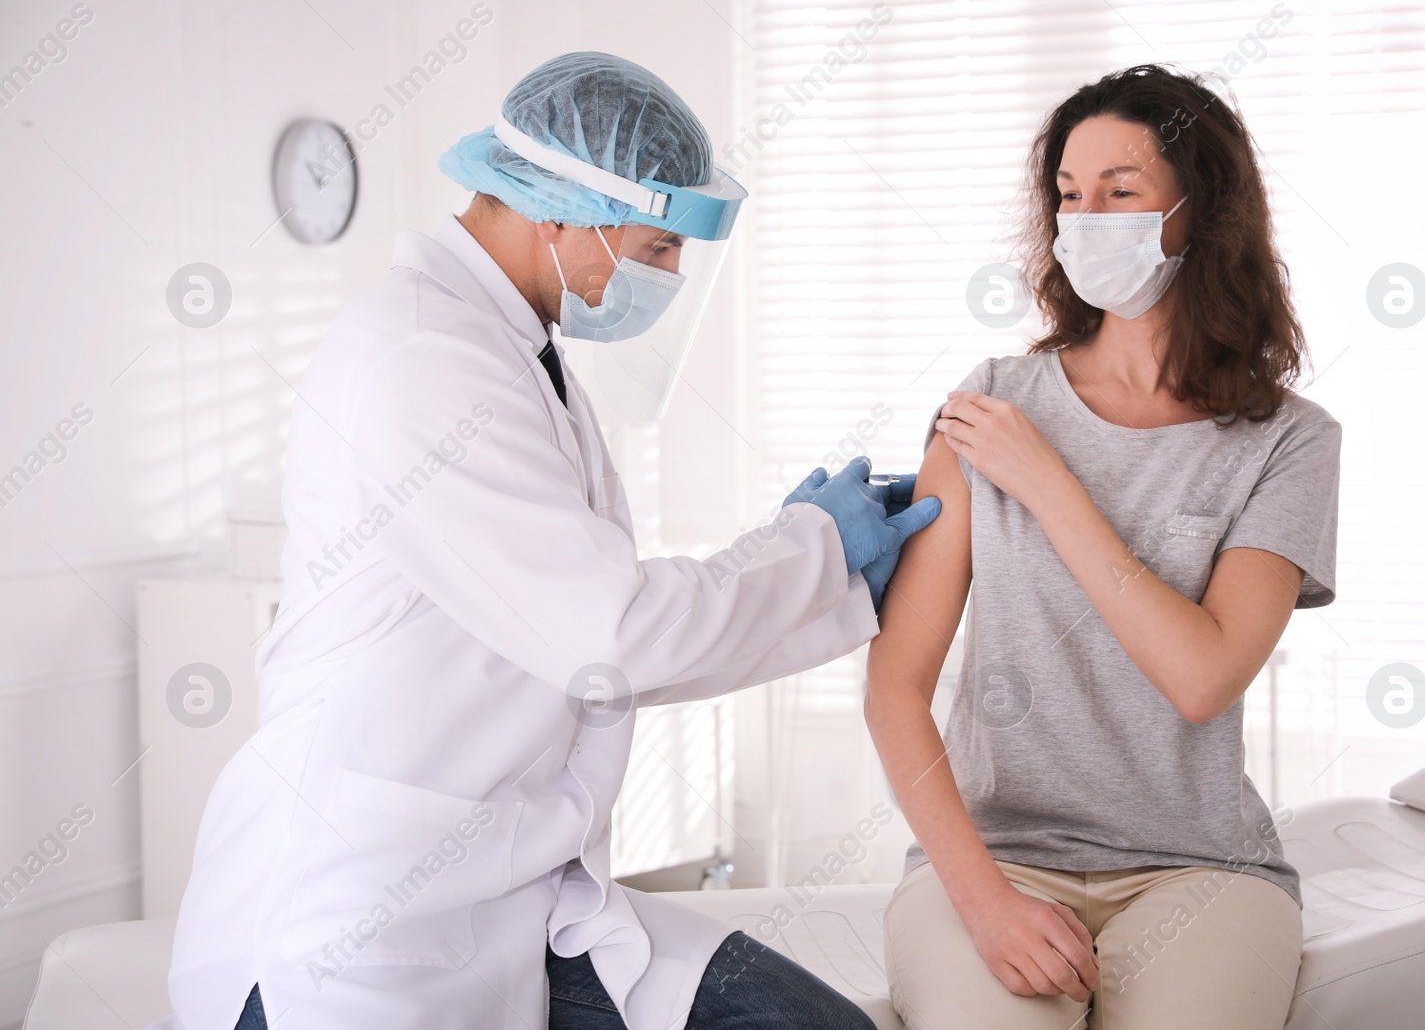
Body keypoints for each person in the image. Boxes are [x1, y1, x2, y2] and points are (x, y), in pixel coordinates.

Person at [156, 52, 937, 1030]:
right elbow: (608, 634)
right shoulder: (422, 356)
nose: (669, 278)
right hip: (356, 927)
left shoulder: (520, 353)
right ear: (559, 207)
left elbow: (600, 644)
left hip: (507, 883)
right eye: (656, 248)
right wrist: (809, 549)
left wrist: (832, 572)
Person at [865, 64, 1340, 1030]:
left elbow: (1202, 675)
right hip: (995, 856)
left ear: (1201, 211)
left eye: (1120, 191)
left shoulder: (1288, 440)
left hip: (1203, 870)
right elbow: (894, 687)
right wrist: (985, 900)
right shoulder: (991, 402)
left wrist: (1046, 481)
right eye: (1070, 195)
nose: (1086, 217)